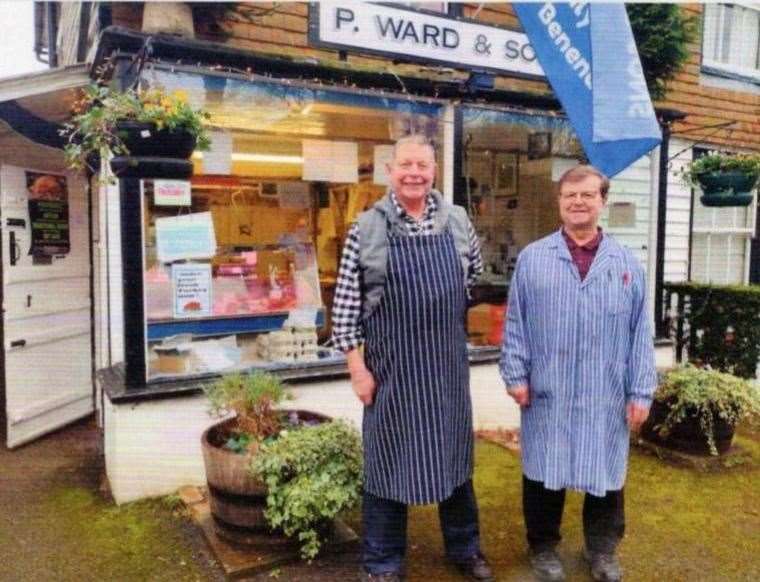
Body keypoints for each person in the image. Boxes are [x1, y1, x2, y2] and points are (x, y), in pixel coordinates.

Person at [332, 134, 494, 582]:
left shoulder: (459, 222)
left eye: (423, 165)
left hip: (444, 371)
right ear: (390, 171)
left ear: (434, 170)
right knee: (386, 464)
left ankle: (465, 549)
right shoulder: (366, 229)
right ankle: (383, 563)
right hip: (391, 373)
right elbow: (345, 309)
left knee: (454, 460)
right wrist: (357, 369)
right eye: (405, 165)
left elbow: (472, 275)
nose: (414, 173)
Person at [500, 165, 656, 582]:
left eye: (588, 195)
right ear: (560, 203)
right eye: (570, 195)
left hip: (605, 390)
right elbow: (515, 322)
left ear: (602, 201)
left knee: (605, 474)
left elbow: (642, 332)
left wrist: (641, 391)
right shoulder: (534, 260)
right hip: (549, 387)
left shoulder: (626, 265)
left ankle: (602, 550)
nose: (578, 202)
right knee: (544, 472)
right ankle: (543, 547)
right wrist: (515, 373)